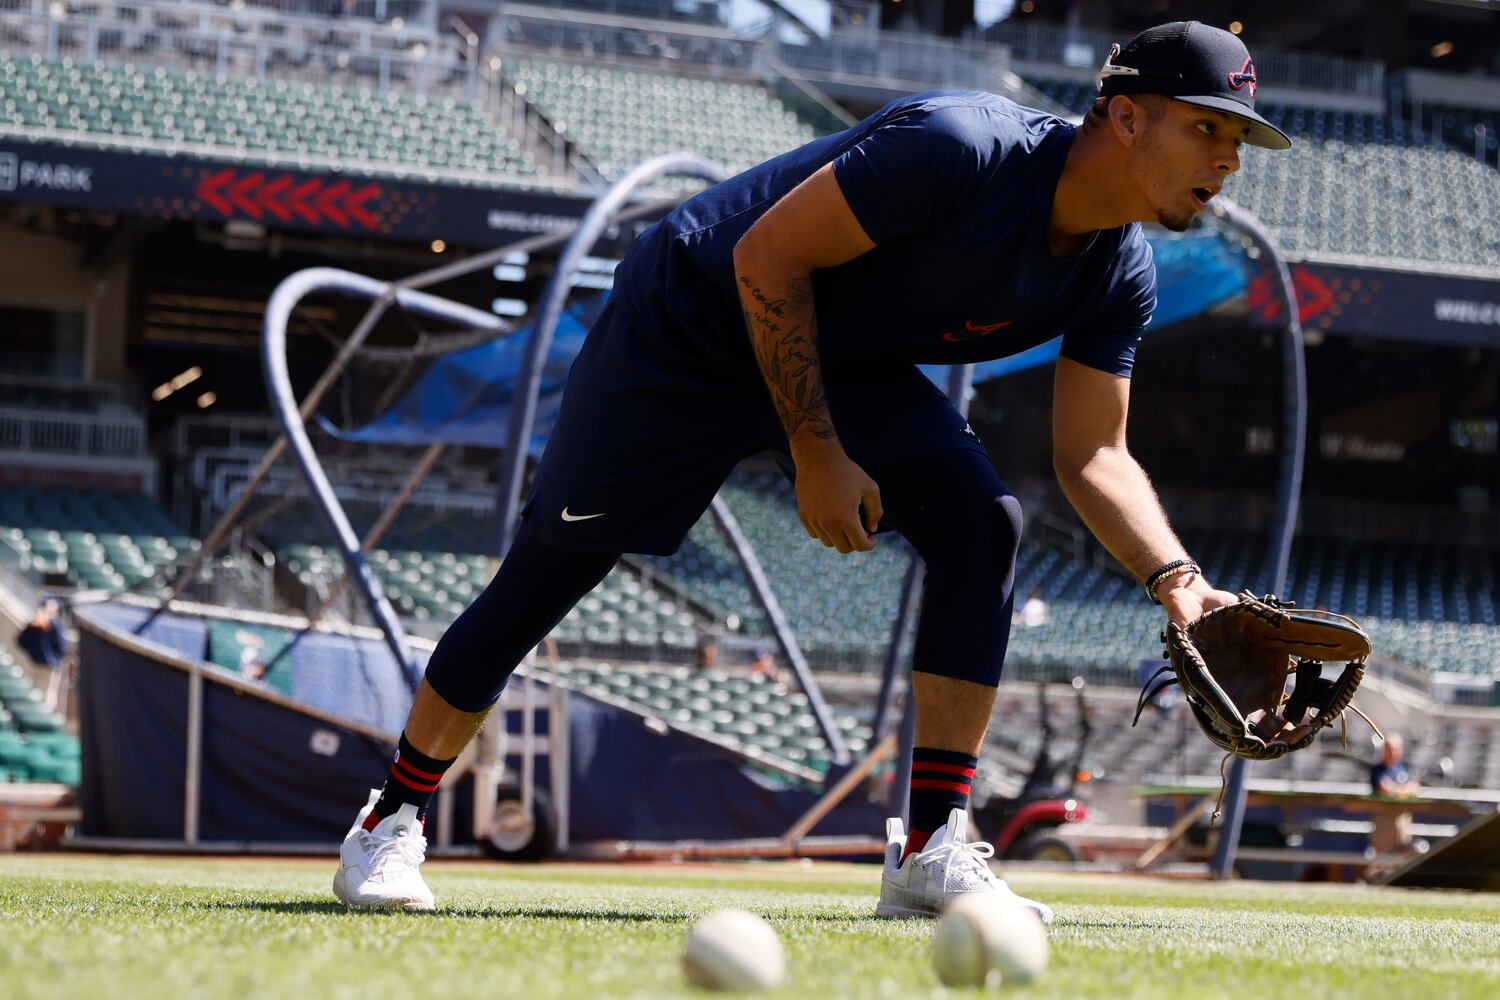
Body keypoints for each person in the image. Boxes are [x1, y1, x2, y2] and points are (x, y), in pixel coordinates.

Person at [333, 21, 1286, 921]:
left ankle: (926, 848)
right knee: (550, 571)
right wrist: (817, 452)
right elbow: (767, 256)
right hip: (691, 325)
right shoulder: (960, 145)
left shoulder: (1120, 271)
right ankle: (390, 820)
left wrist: (1181, 583)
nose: (1229, 160)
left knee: (981, 521)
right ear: (1126, 116)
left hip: (840, 356)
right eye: (1208, 128)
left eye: (1239, 140)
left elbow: (1093, 454)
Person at [1368, 732, 1420, 855]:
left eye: (1396, 749)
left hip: (1402, 819)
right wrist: (1403, 790)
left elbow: (1415, 787)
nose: (1393, 752)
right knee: (1382, 858)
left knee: (1403, 855)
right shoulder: (1377, 770)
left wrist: (1395, 790)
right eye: (1390, 749)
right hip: (1383, 820)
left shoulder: (1405, 768)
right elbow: (1383, 788)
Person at [17, 597, 68, 713]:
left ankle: (36, 717)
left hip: (36, 663)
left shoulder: (34, 622)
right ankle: (44, 721)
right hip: (50, 665)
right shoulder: (53, 623)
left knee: (35, 691)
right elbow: (61, 645)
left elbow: (21, 641)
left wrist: (32, 652)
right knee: (48, 694)